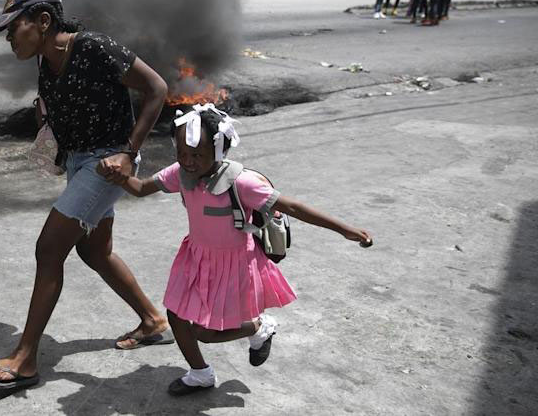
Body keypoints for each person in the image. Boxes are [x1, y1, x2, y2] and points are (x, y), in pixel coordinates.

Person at [101, 104, 374, 396]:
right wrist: (116, 176)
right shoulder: (180, 173)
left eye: (197, 154)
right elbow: (141, 188)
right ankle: (200, 373)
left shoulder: (241, 183)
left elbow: (292, 206)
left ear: (219, 151)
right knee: (177, 315)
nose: (188, 161)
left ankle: (258, 327)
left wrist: (344, 229)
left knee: (204, 333)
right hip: (196, 257)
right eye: (181, 153)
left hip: (234, 265)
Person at [0, 0, 171, 390]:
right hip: (80, 162)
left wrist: (128, 152)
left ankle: (26, 358)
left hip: (107, 165)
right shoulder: (47, 61)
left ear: (43, 20)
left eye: (15, 27)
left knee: (49, 249)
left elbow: (157, 89)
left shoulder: (94, 47)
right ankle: (154, 321)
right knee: (95, 251)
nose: (9, 37)